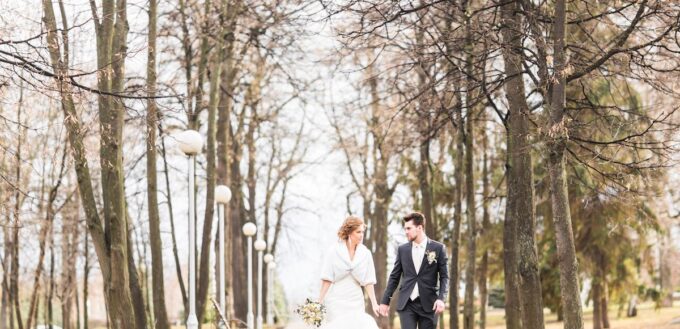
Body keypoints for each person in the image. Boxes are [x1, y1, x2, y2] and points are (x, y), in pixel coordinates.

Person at [379, 212, 449, 329]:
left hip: (429, 304)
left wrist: (441, 299)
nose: (406, 231)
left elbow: (445, 277)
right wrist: (385, 301)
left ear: (420, 227)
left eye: (409, 228)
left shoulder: (438, 248)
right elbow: (394, 277)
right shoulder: (402, 250)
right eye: (405, 228)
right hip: (407, 304)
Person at [318, 216, 379, 329]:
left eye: (363, 232)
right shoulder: (334, 251)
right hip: (336, 299)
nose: (361, 235)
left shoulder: (365, 253)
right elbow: (327, 278)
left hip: (356, 300)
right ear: (349, 232)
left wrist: (374, 303)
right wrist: (319, 301)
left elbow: (369, 281)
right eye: (358, 232)